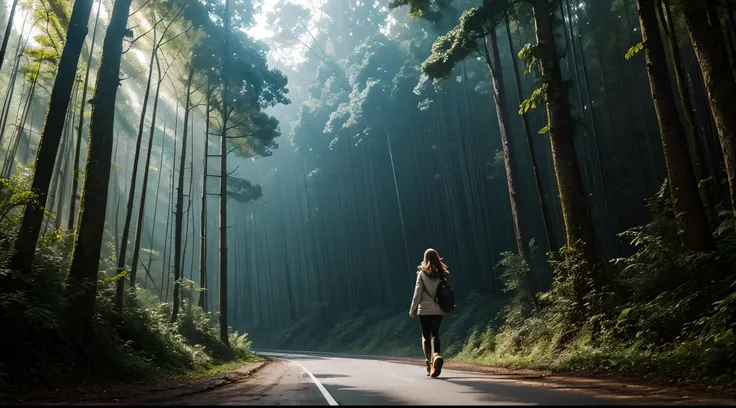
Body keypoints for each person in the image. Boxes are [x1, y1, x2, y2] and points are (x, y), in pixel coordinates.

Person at [409, 248, 449, 378]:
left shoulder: (422, 274)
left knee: (426, 337)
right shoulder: (442, 273)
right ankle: (436, 354)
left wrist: (412, 309)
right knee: (435, 334)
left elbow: (417, 293)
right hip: (438, 309)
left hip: (424, 310)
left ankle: (429, 362)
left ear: (425, 259)